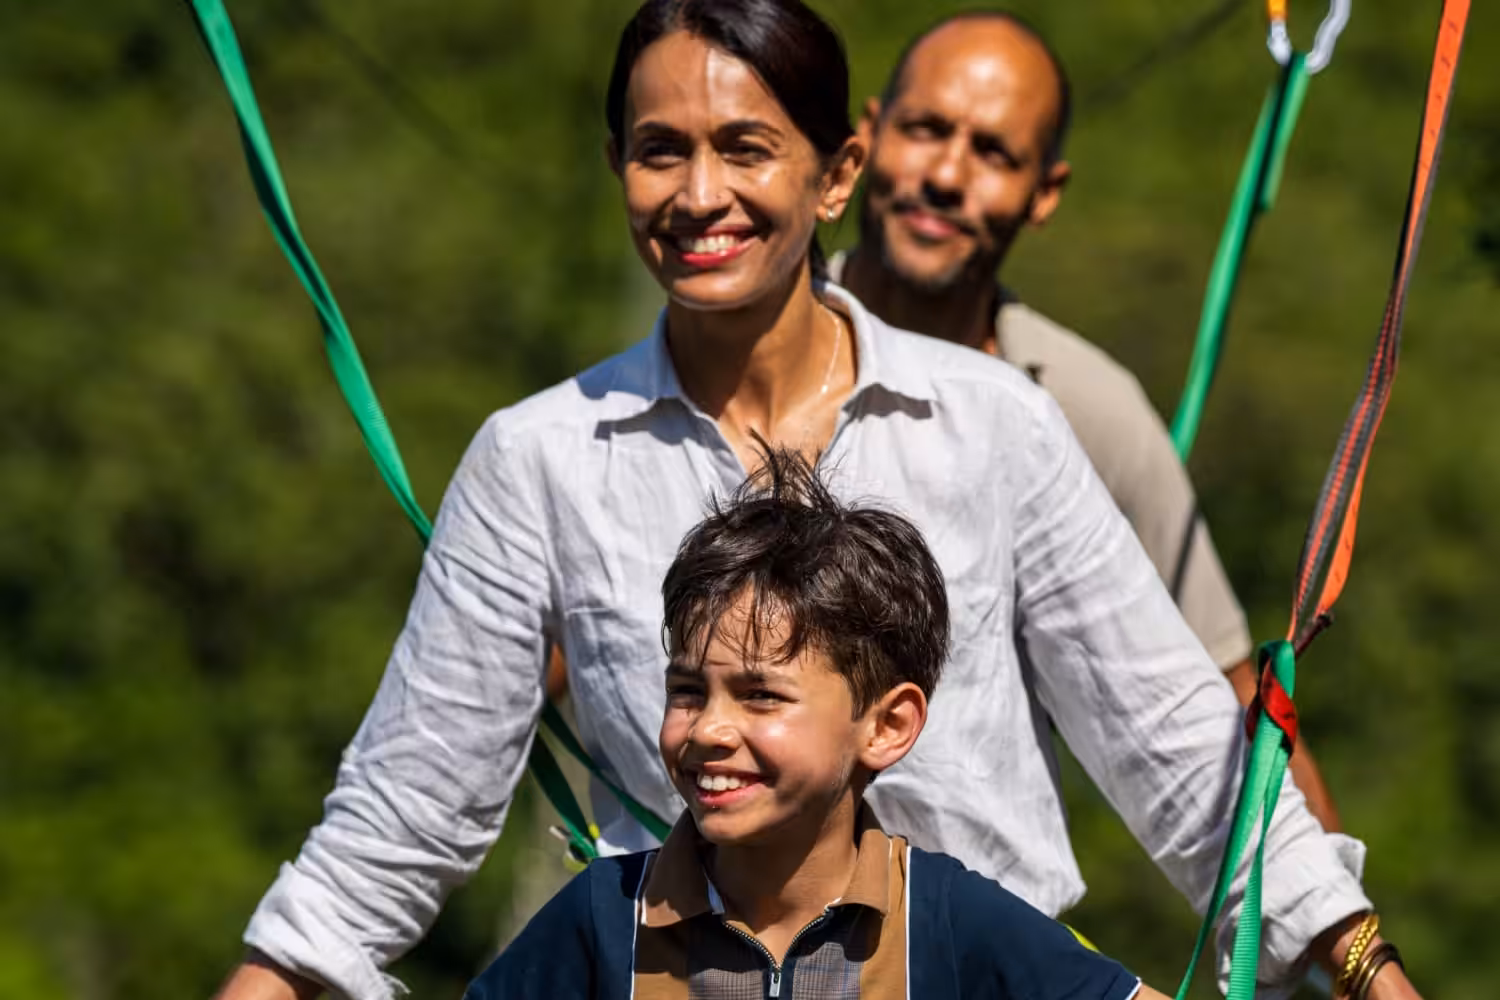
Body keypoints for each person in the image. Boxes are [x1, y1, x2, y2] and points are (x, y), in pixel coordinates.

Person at [215, 2, 1415, 998]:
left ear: (836, 171)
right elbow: (395, 824)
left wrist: (1370, 973)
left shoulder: (991, 424)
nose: (697, 195)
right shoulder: (540, 459)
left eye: (745, 148)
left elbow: (1185, 759)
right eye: (658, 149)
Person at [832, 10, 1343, 831]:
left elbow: (1223, 703)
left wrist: (1350, 947)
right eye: (926, 130)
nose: (947, 175)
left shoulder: (1082, 411)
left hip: (964, 930)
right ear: (864, 138)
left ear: (1046, 194)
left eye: (995, 153)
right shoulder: (749, 344)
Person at [467, 446, 1161, 1000]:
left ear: (887, 726)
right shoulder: (607, 918)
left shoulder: (949, 922)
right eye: (687, 691)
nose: (709, 728)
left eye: (761, 696)